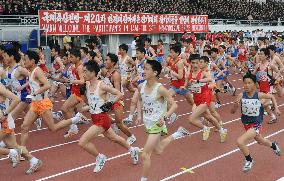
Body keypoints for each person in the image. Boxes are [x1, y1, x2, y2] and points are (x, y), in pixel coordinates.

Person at [129, 60, 190, 181]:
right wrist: (139, 115)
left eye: (147, 69)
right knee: (159, 150)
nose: (143, 71)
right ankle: (178, 133)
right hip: (148, 123)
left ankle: (144, 179)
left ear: (155, 72)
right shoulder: (141, 86)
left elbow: (174, 105)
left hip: (157, 123)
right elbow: (140, 100)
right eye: (143, 68)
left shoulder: (160, 89)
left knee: (145, 154)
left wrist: (165, 117)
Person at [78, 60, 139, 173]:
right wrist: (85, 108)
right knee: (114, 138)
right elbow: (92, 102)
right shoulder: (87, 84)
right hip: (94, 117)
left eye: (85, 71)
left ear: (93, 72)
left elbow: (119, 94)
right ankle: (132, 149)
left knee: (82, 142)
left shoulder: (102, 85)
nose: (83, 74)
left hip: (102, 119)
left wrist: (110, 103)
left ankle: (100, 157)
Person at [231, 73, 281, 172]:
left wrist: (277, 109)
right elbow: (232, 112)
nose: (246, 85)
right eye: (244, 83)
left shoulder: (259, 95)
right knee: (260, 141)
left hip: (256, 124)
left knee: (240, 141)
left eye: (249, 83)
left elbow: (272, 97)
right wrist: (235, 106)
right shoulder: (241, 95)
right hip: (246, 124)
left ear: (255, 84)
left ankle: (249, 160)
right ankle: (274, 145)